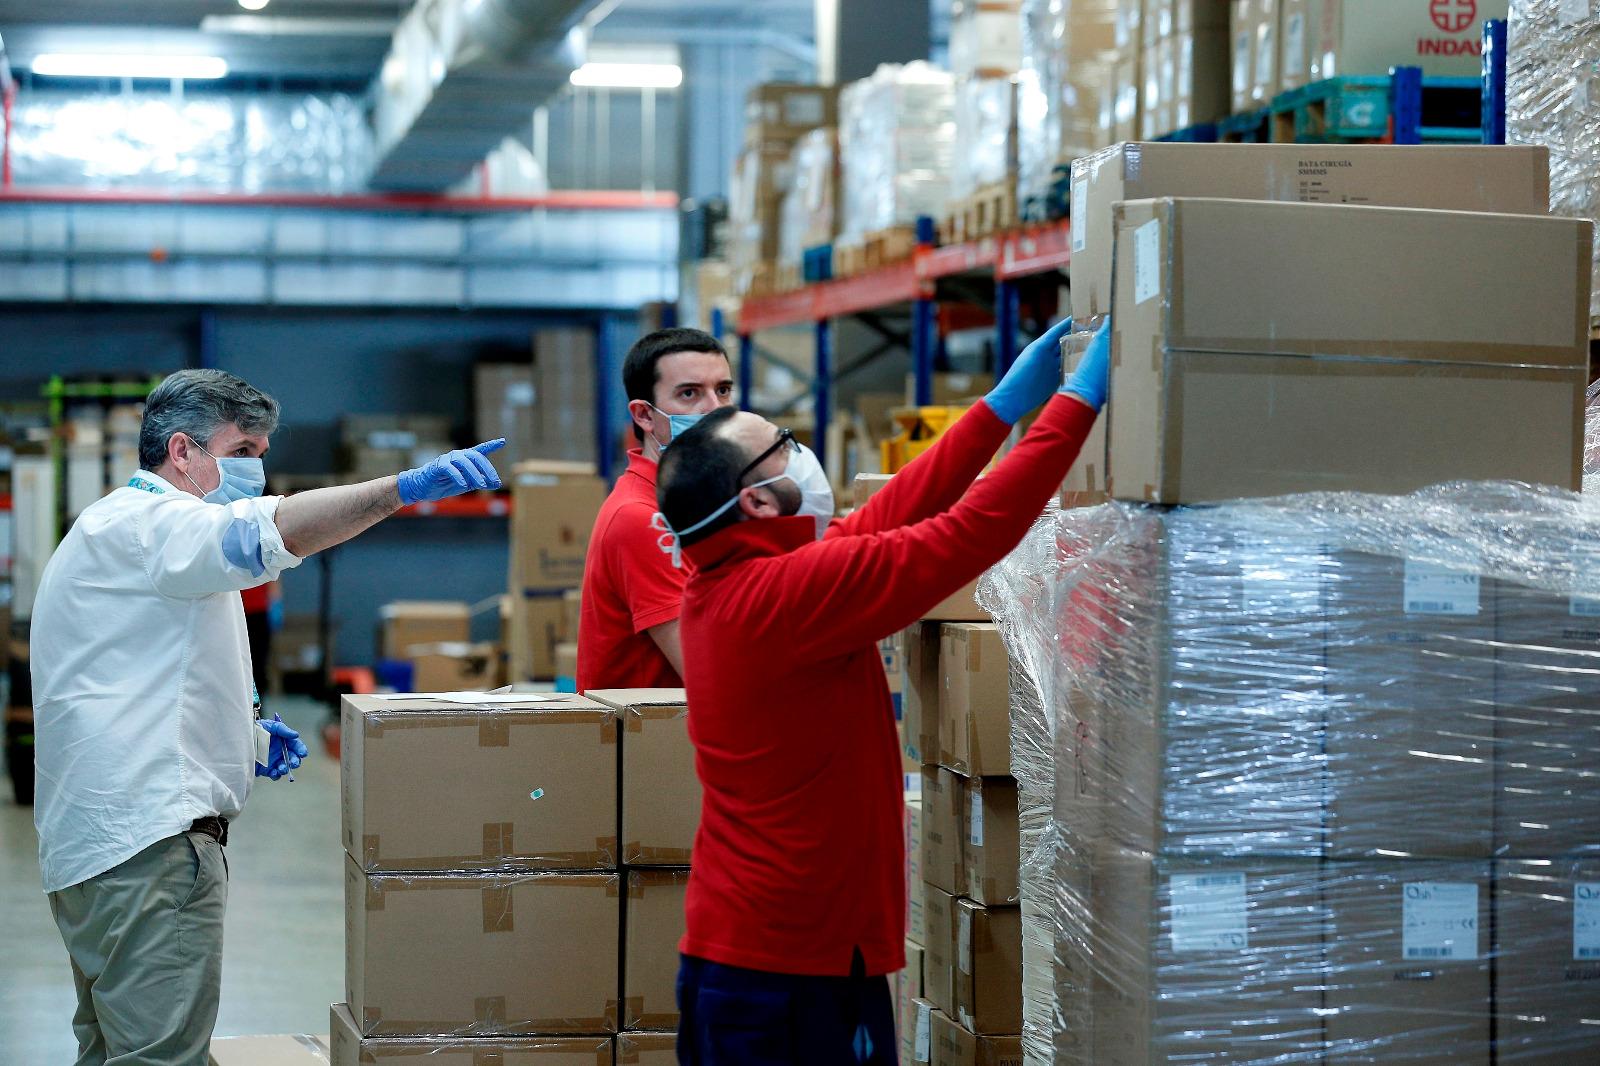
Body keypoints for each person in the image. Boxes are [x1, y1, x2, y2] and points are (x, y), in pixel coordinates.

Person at [655, 318, 1111, 1064]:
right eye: (783, 450)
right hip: (790, 971)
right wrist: (1081, 399)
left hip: (764, 954)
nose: (801, 457)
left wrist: (1000, 406)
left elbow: (898, 510)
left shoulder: (742, 581)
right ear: (758, 502)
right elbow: (972, 531)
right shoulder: (786, 594)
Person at [31, 368, 505, 1066]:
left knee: (113, 1050)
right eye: (244, 451)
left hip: (101, 847)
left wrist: (242, 737)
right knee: (162, 1057)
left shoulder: (114, 529)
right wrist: (400, 490)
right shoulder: (158, 524)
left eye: (261, 451)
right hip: (150, 846)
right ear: (184, 451)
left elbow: (133, 673)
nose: (258, 468)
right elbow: (268, 534)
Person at [576, 327, 736, 690]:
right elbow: (713, 675)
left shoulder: (698, 504)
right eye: (690, 393)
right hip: (651, 741)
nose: (714, 409)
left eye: (723, 390)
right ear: (645, 416)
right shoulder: (643, 518)